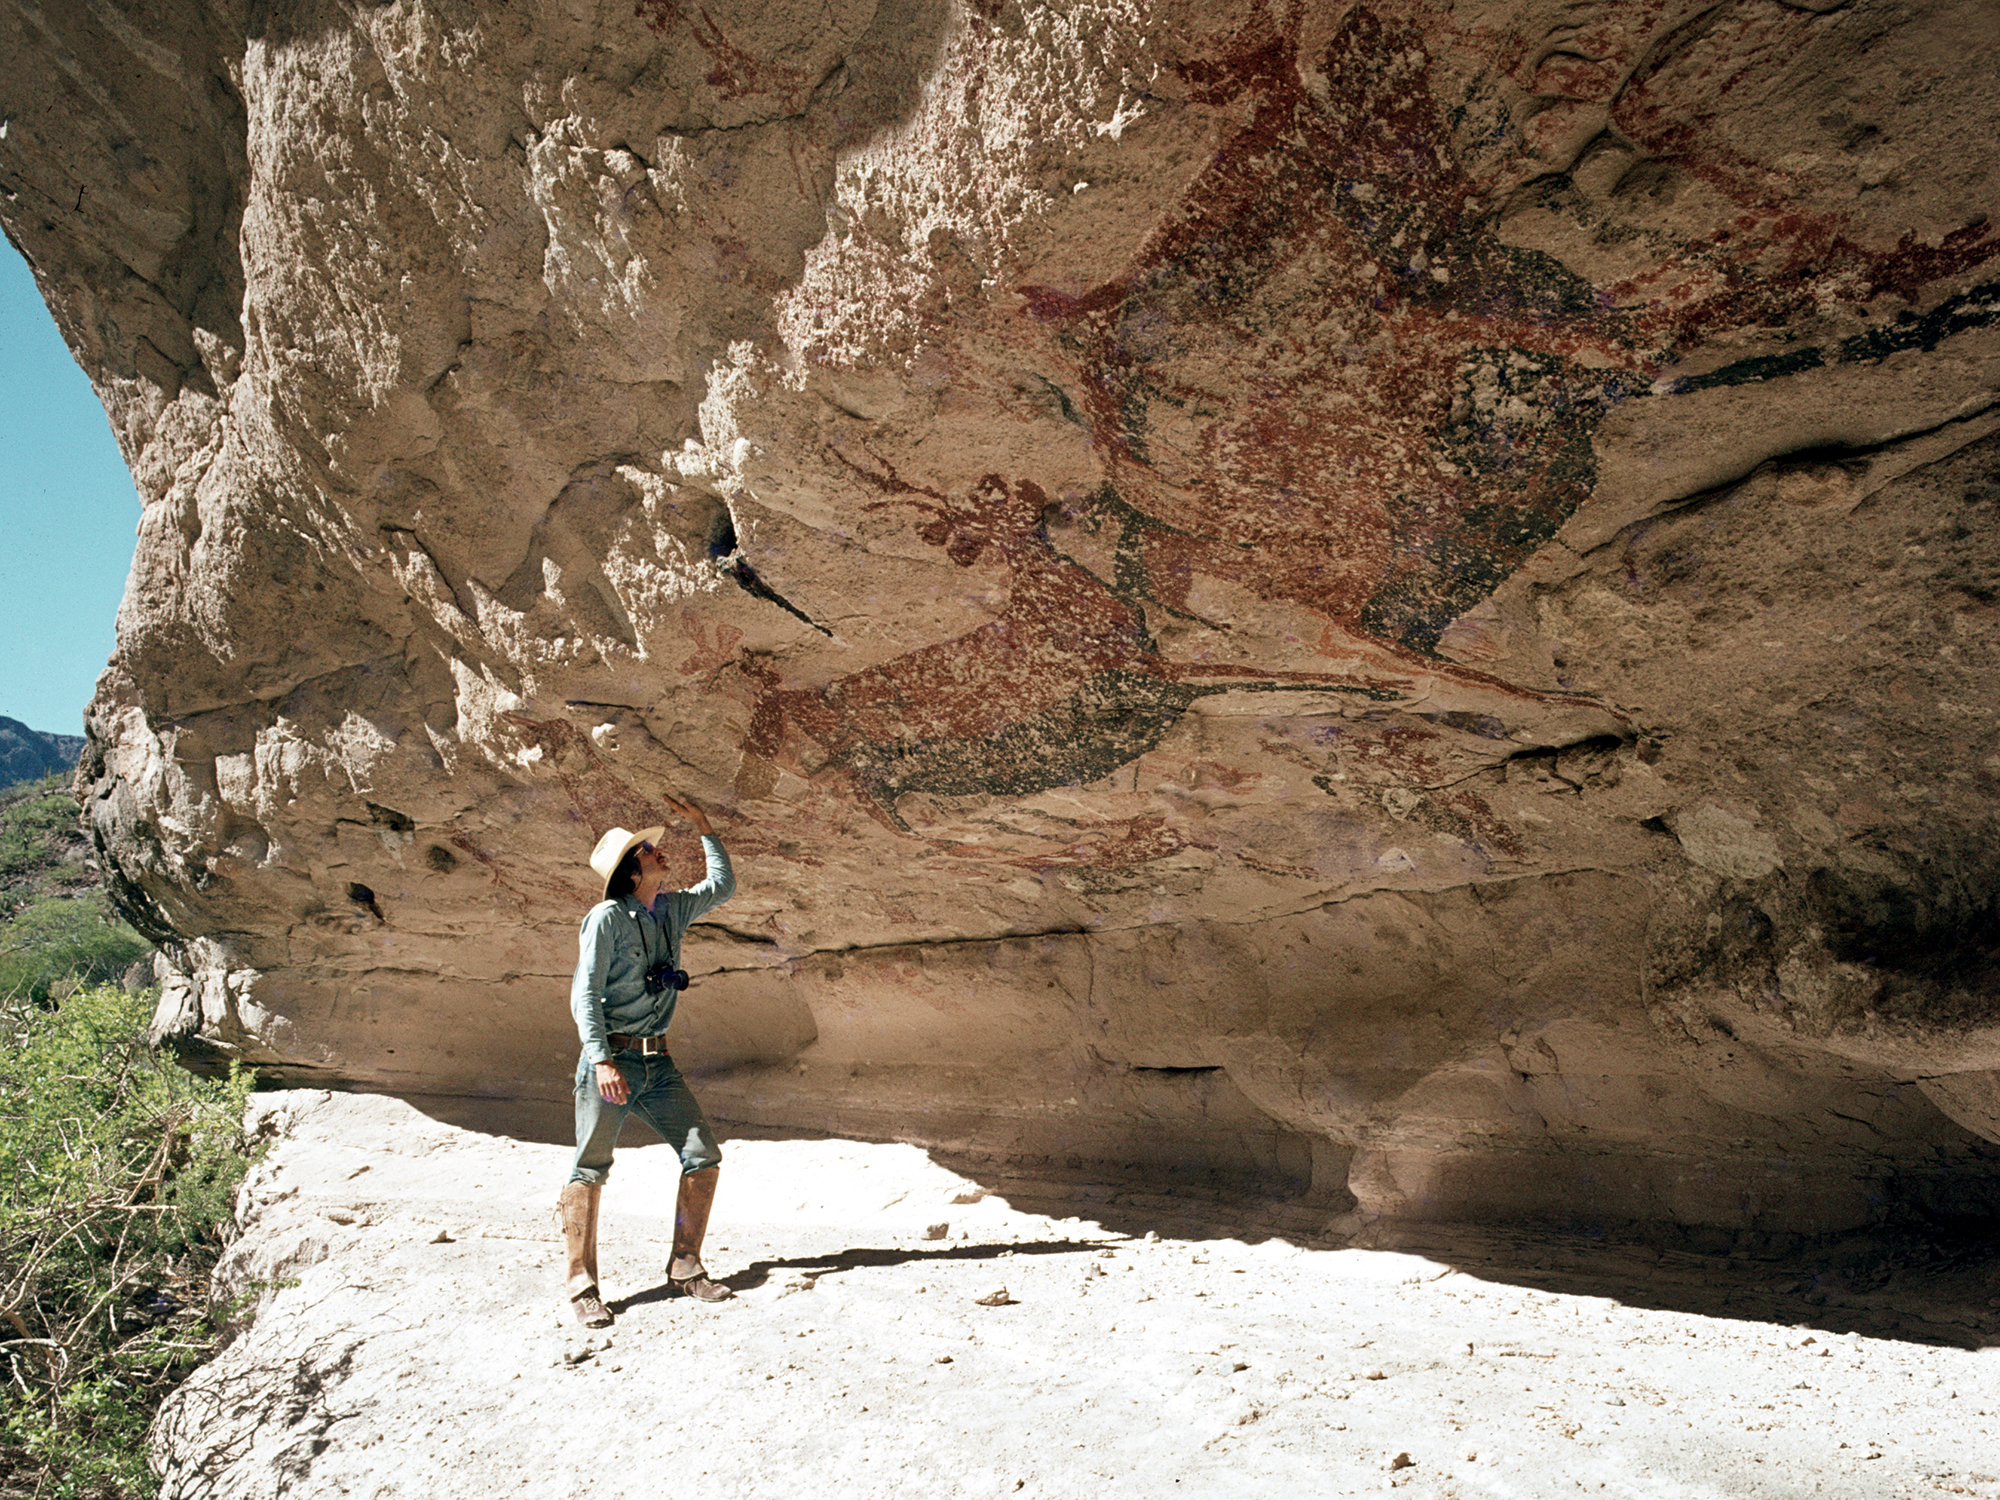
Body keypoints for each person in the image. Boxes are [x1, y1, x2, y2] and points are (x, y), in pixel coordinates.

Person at [556, 794, 736, 1327]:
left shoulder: (673, 908)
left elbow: (722, 887)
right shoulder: (605, 919)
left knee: (702, 1153)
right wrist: (602, 1060)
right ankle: (581, 1286)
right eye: (651, 851)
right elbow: (583, 994)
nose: (661, 853)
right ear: (633, 871)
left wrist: (706, 828)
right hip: (611, 1063)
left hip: (658, 1064)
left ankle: (685, 1266)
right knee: (589, 1168)